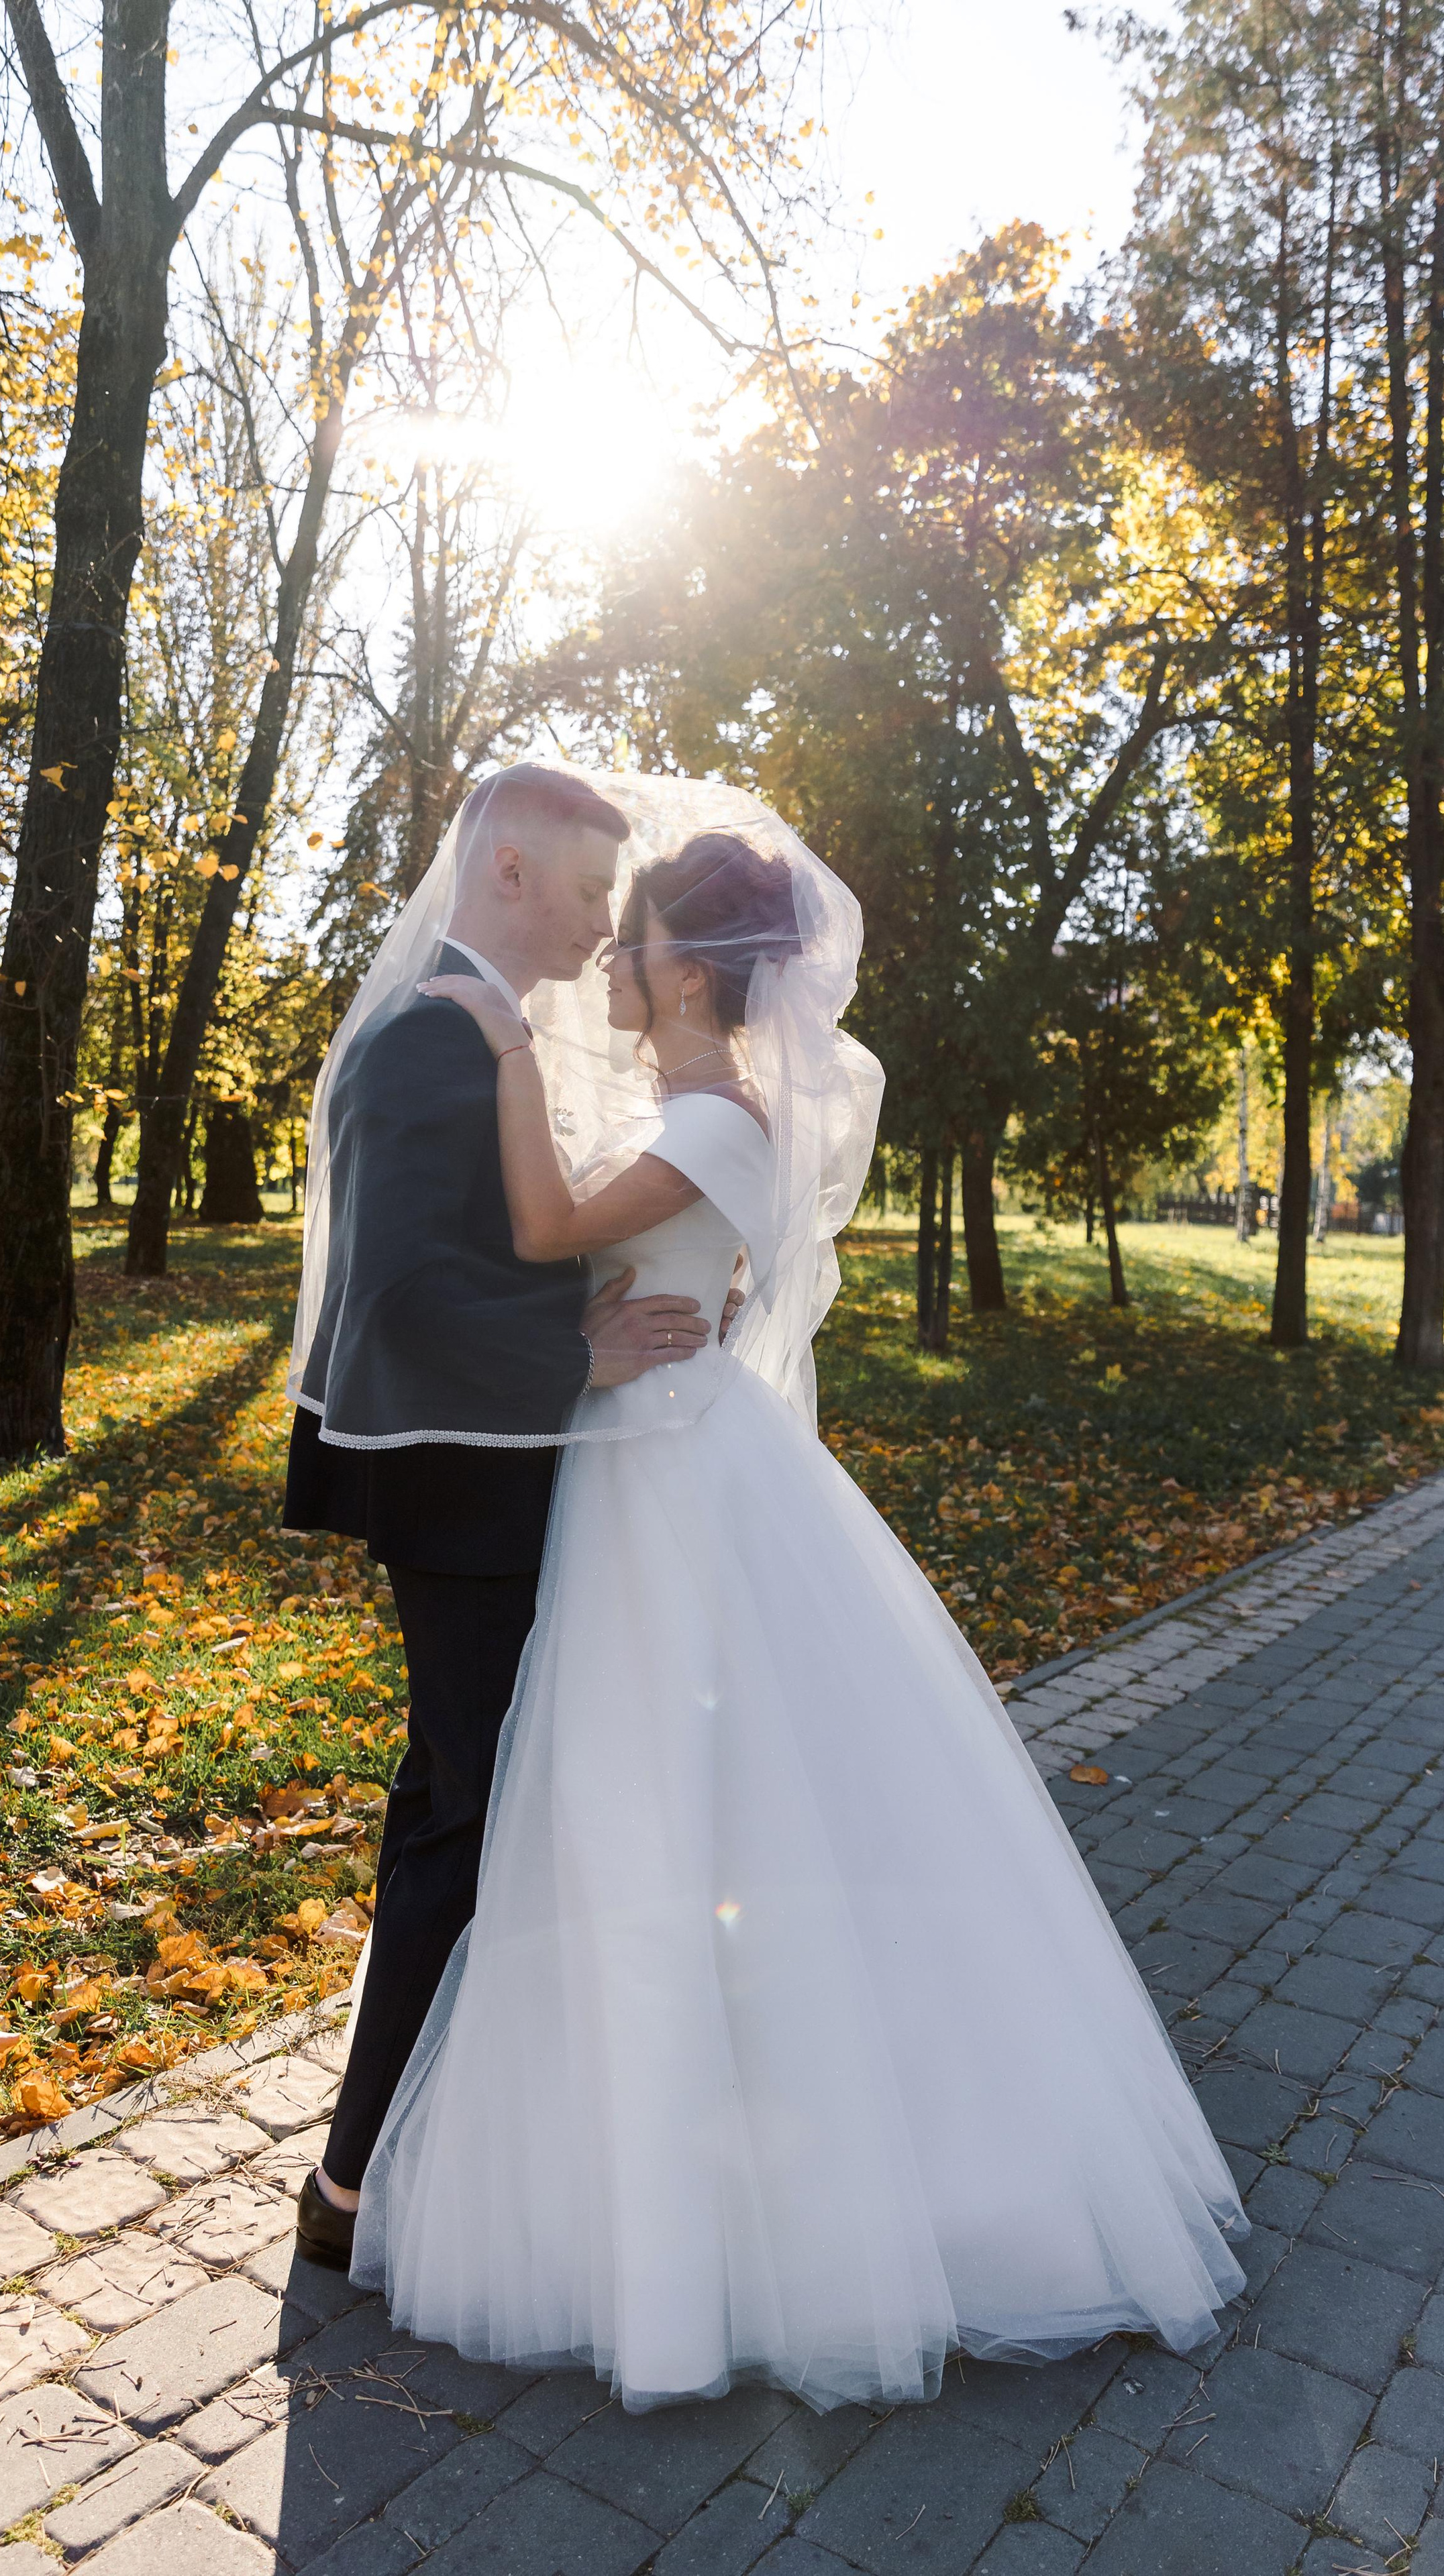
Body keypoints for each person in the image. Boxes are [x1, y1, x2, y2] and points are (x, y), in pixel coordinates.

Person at [344, 785, 1250, 2415]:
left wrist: (498, 1045)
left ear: (690, 973)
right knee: (652, 1815)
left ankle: (708, 2204)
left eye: (634, 939)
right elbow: (643, 1264)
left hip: (662, 1482)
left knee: (664, 1813)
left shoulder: (709, 1117)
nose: (609, 956)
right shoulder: (716, 1109)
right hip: (653, 1461)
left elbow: (549, 1229)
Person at [282, 763, 716, 2269]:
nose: (608, 925)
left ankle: (418, 2149)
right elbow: (398, 1290)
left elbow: (485, 1246)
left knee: (468, 1809)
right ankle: (347, 2191)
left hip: (501, 1477)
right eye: (594, 890)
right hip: (464, 1494)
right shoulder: (425, 1038)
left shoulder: (483, 1030)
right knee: (465, 1824)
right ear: (512, 871)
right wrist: (575, 1350)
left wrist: (583, 1295)